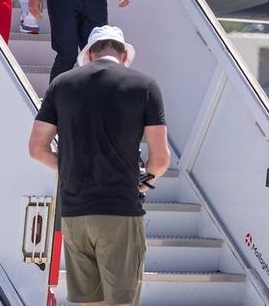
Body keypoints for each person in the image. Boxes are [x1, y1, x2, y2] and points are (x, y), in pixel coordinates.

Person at [29, 25, 170, 306]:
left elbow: (36, 149)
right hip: (119, 210)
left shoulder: (61, 85)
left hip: (75, 212)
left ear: (90, 55)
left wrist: (70, 166)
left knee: (90, 301)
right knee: (121, 301)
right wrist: (143, 182)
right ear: (124, 56)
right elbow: (160, 159)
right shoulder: (145, 86)